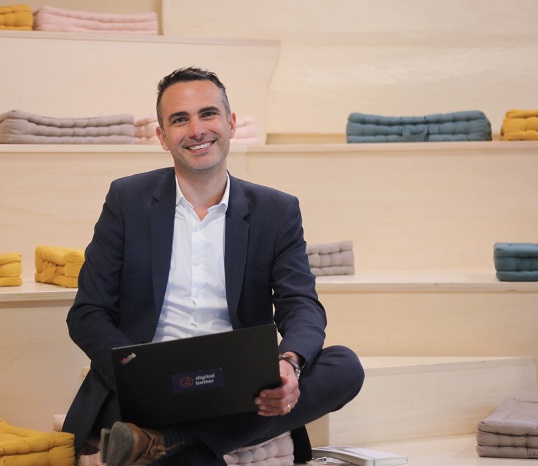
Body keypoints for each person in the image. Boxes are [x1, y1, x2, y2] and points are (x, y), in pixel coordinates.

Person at [62, 66, 365, 466]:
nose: (196, 130)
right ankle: (185, 443)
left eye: (208, 114)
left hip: (235, 381)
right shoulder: (127, 199)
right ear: (162, 137)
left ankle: (167, 441)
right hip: (150, 380)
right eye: (179, 119)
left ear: (231, 123)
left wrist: (288, 363)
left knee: (344, 366)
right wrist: (135, 371)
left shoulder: (276, 210)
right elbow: (87, 313)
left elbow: (301, 305)